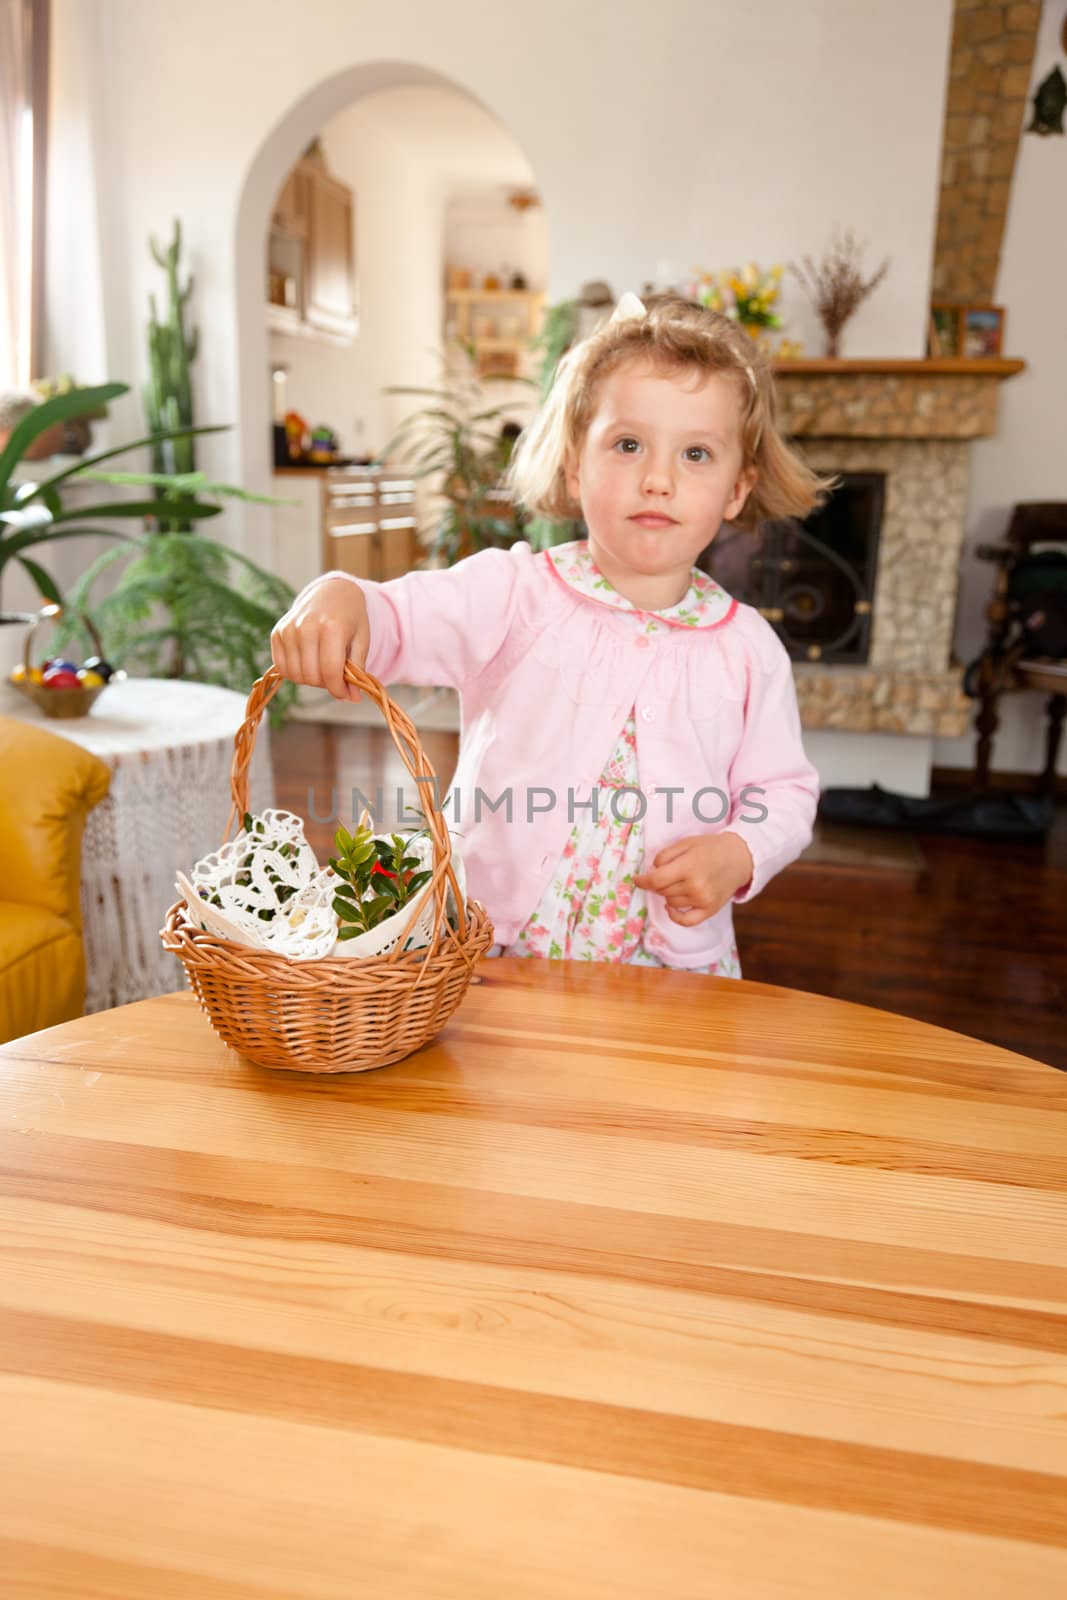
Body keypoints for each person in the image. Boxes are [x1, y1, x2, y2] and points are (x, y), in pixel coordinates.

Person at [270, 291, 831, 976]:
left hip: (664, 967)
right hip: (493, 951)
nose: (657, 479)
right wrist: (340, 596)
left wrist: (739, 851)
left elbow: (784, 792)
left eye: (695, 455)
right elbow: (398, 616)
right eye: (627, 445)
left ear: (737, 490)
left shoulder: (746, 648)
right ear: (574, 467)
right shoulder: (513, 595)